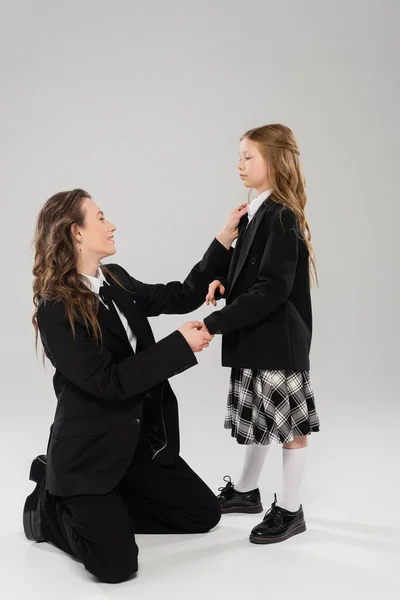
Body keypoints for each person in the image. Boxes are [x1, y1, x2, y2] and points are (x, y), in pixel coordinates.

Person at [23, 188, 248, 582]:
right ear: (76, 232)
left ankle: (109, 508)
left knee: (203, 513)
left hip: (133, 446)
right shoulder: (55, 308)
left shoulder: (115, 279)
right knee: (117, 565)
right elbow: (108, 383)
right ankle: (50, 508)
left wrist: (223, 240)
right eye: (101, 218)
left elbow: (180, 295)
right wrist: (179, 345)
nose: (112, 225)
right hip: (89, 455)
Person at [202, 124, 320, 544]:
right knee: (262, 419)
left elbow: (272, 288)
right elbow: (250, 271)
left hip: (277, 341)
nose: (240, 163)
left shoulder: (282, 215)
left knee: (288, 426)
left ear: (274, 161)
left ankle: (291, 510)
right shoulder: (258, 212)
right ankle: (246, 491)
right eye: (240, 155)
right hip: (258, 336)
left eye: (249, 156)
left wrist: (217, 322)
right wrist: (221, 279)